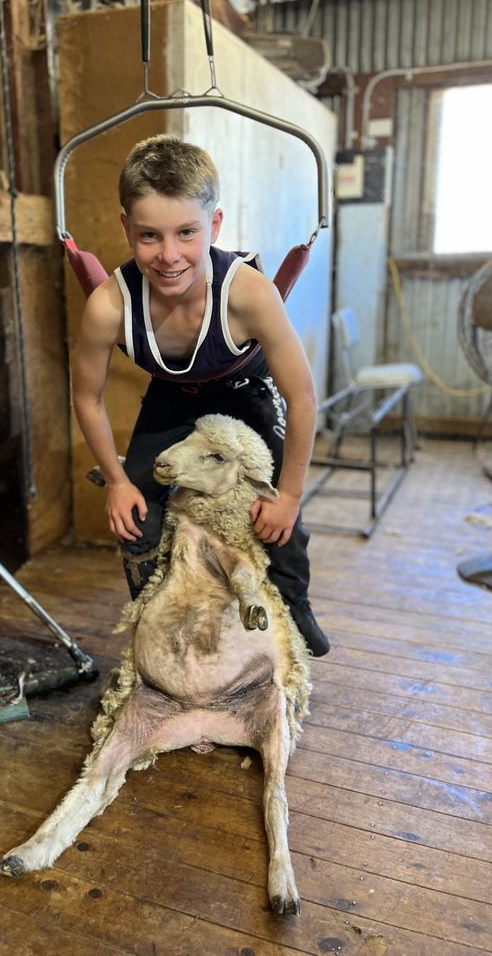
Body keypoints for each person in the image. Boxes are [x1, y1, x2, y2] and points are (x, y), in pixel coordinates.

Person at [72, 135, 329, 657]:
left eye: (186, 233)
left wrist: (291, 496)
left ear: (213, 226)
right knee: (135, 518)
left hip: (245, 392)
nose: (169, 256)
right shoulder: (108, 305)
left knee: (279, 516)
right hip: (172, 396)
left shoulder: (248, 293)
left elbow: (301, 399)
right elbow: (87, 399)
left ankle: (294, 607)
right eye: (149, 236)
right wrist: (118, 482)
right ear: (126, 228)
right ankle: (153, 622)